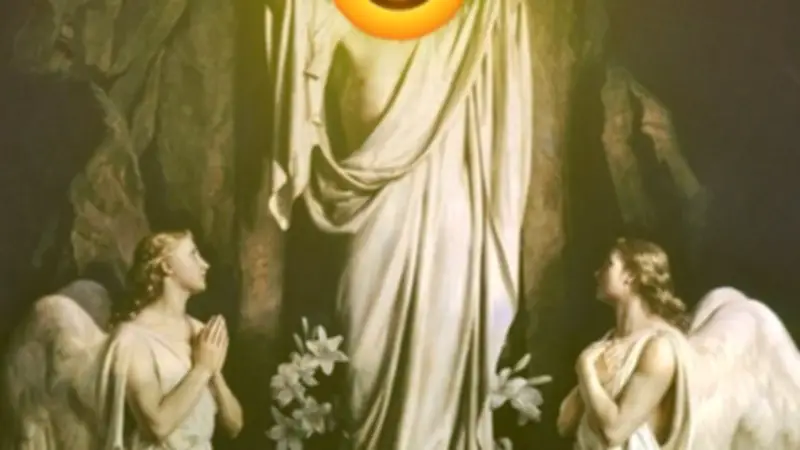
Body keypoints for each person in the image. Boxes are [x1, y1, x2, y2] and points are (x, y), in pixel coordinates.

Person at [263, 1, 534, 447]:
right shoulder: (348, 15)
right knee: (364, 353)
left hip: (449, 214)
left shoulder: (463, 28)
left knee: (442, 338)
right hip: (371, 208)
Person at [98, 230, 244, 449]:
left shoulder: (199, 331)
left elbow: (234, 425)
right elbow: (157, 427)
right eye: (193, 255)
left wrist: (214, 373)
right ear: (167, 266)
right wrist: (203, 368)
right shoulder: (132, 338)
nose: (205, 265)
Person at [556, 238, 693, 449]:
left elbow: (614, 432)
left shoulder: (658, 347)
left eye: (608, 264)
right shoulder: (610, 340)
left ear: (630, 276)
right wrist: (592, 378)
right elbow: (564, 424)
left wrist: (585, 370)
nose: (597, 273)